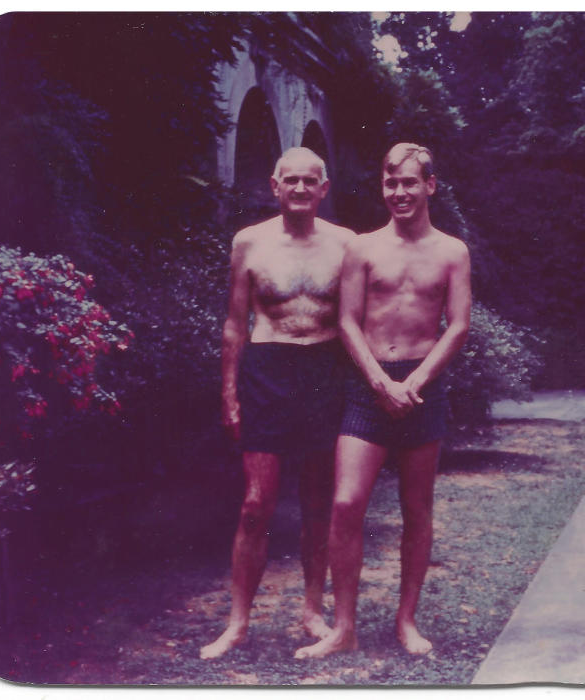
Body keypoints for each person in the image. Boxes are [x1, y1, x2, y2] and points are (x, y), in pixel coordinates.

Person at [295, 143, 471, 658]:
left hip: (423, 385)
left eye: (410, 183)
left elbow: (458, 324)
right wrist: (378, 382)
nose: (399, 192)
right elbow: (347, 320)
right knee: (346, 503)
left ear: (430, 186)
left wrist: (415, 380)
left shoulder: (452, 251)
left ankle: (406, 621)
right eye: (391, 183)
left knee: (417, 508)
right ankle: (344, 627)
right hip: (368, 386)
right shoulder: (364, 248)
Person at [200, 147, 355, 660]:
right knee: (254, 504)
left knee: (318, 502)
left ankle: (312, 609)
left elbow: (357, 320)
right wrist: (229, 393)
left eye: (311, 181)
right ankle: (238, 623)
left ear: (324, 188)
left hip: (325, 370)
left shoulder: (346, 245)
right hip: (266, 372)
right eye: (291, 181)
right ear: (274, 185)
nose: (301, 189)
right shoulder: (249, 242)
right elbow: (233, 323)